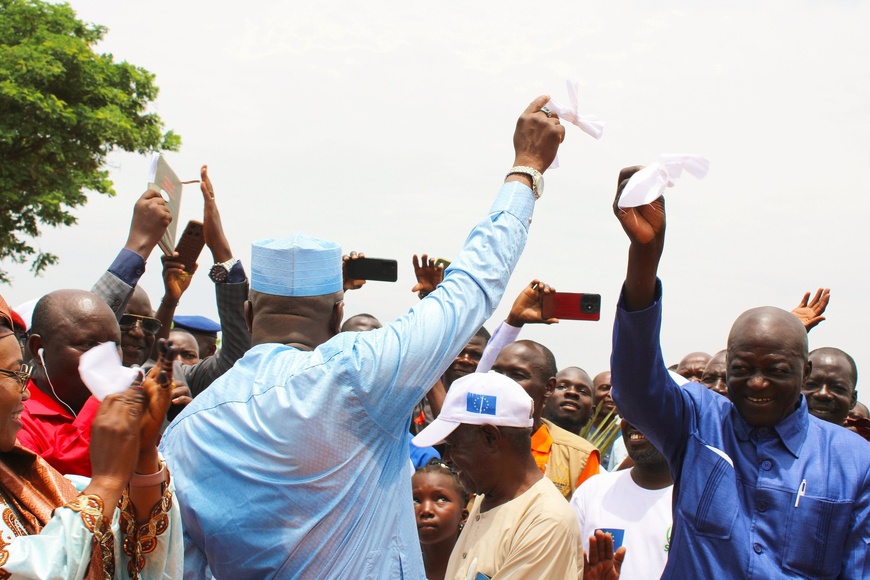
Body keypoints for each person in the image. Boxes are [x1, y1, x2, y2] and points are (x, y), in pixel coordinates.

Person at [159, 96, 565, 578]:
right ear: (337, 314)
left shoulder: (185, 433)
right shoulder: (360, 373)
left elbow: (178, 565)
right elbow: (473, 285)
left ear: (248, 314)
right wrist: (526, 169)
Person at [610, 165, 870, 577]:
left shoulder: (855, 460)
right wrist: (644, 257)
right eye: (742, 368)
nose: (757, 383)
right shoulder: (697, 420)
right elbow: (635, 385)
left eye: (776, 370)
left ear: (804, 375)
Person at [0, 292, 182, 578]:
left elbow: (124, 545)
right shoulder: (20, 428)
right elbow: (25, 569)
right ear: (39, 349)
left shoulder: (21, 464)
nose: (24, 391)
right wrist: (107, 482)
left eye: (113, 348)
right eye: (13, 374)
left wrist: (143, 455)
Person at [93, 166, 252, 397]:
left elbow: (239, 356)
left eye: (148, 324)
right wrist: (139, 244)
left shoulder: (175, 378)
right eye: (126, 321)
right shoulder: (82, 378)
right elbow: (88, 325)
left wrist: (220, 248)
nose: (137, 333)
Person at [413, 372, 582, 579]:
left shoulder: (545, 520)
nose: (447, 459)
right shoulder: (485, 500)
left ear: (490, 437)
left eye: (453, 445)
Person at [492, 340, 599, 498]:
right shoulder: (469, 434)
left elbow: (587, 517)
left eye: (518, 375)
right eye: (496, 373)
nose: (502, 382)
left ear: (548, 387)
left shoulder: (580, 456)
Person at [571, 418, 673, 579]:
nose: (634, 419)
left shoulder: (701, 501)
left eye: (646, 410)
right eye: (628, 410)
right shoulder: (592, 491)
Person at [412, 460, 469, 580]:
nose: (426, 510)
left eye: (441, 499)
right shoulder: (395, 570)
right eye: (415, 500)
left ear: (463, 516)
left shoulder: (477, 569)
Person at [803, 347, 858, 427]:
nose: (823, 394)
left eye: (837, 388)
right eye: (811, 385)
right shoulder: (777, 437)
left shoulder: (855, 440)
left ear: (853, 400)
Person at [545, 366, 595, 435]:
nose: (572, 392)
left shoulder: (588, 446)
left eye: (583, 391)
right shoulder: (526, 441)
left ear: (592, 412)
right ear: (544, 398)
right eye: (562, 387)